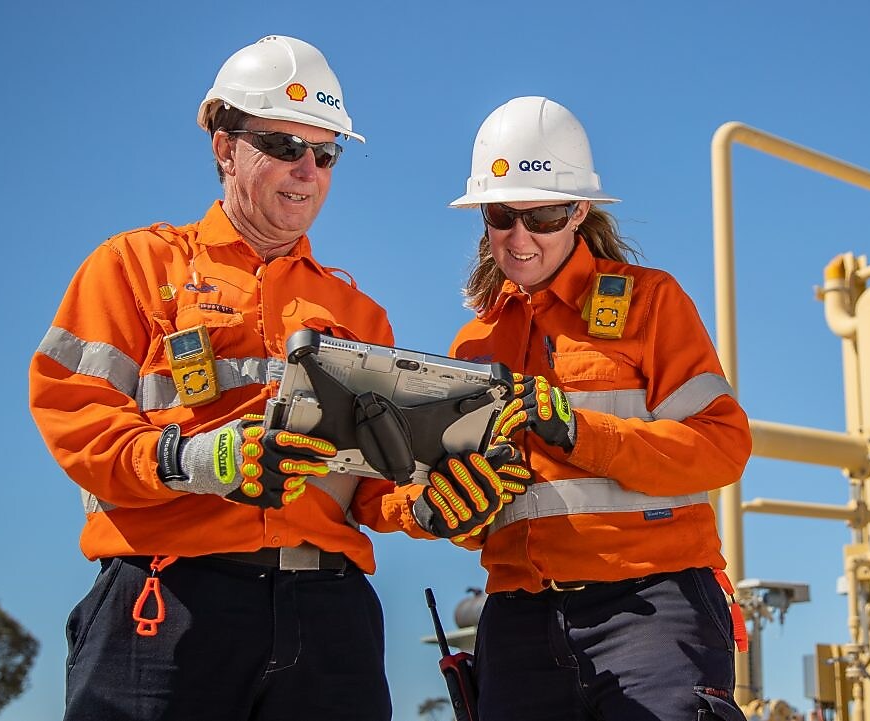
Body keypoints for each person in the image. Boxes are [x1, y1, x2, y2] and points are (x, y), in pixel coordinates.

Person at [28, 35, 526, 721]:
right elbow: (75, 418)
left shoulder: (359, 314)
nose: (307, 169)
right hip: (171, 605)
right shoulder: (133, 269)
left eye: (325, 153)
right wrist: (207, 458)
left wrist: (432, 506)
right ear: (224, 146)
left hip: (329, 619)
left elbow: (375, 486)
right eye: (284, 146)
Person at [445, 95, 754, 721]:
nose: (521, 237)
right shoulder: (472, 346)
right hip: (516, 622)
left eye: (546, 215)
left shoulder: (650, 303)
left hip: (653, 607)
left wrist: (578, 432)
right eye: (503, 215)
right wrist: (453, 508)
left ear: (580, 210)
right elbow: (479, 519)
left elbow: (723, 447)